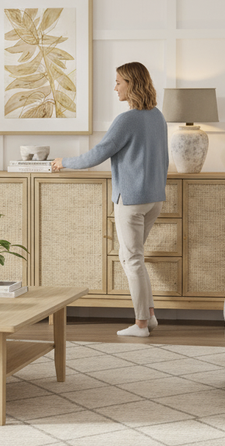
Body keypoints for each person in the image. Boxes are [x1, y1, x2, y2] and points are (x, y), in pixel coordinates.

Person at [52, 62, 169, 337]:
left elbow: (97, 154)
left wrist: (63, 162)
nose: (115, 87)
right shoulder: (157, 116)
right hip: (154, 198)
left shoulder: (126, 120)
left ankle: (141, 325)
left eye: (119, 82)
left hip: (131, 199)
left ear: (132, 84)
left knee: (132, 260)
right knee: (132, 257)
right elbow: (164, 159)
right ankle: (149, 316)